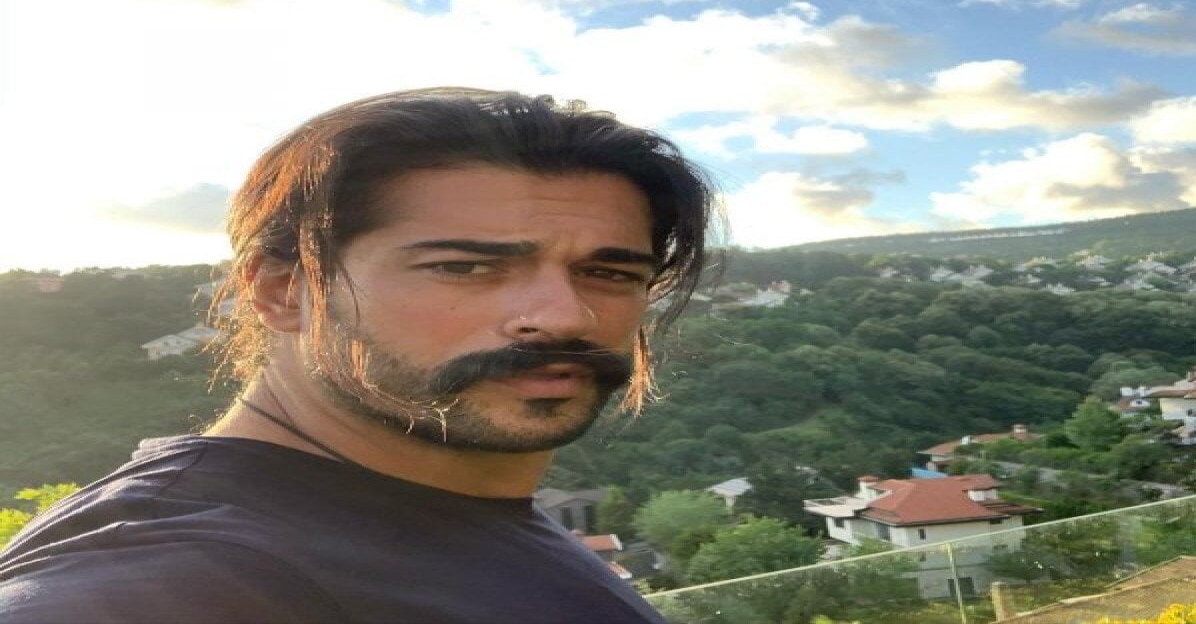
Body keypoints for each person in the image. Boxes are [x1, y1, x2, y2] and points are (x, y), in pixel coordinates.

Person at [0, 88, 713, 623]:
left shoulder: (447, 508)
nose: (564, 315)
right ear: (282, 291)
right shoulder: (179, 573)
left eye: (610, 272)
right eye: (464, 267)